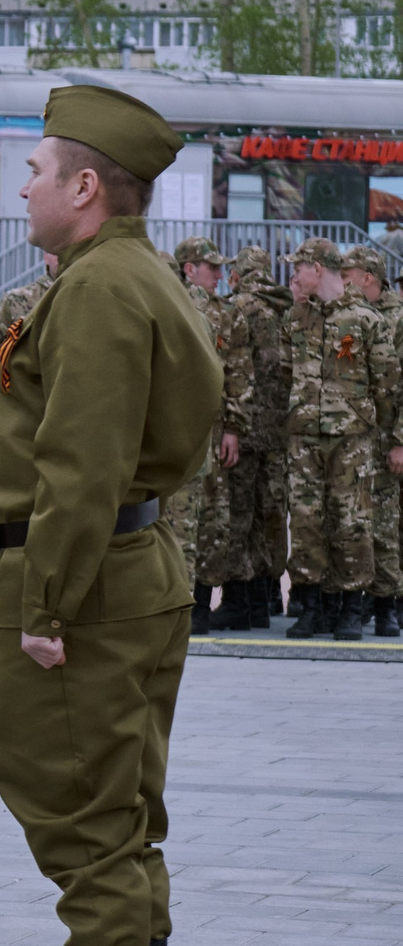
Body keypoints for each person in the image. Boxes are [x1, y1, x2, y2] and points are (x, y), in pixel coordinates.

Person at [0, 86, 222, 946]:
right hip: (129, 570)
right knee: (119, 819)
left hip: (87, 582)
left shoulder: (101, 289)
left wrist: (46, 604)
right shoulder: (124, 275)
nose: (21, 186)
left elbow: (80, 462)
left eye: (34, 170)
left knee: (84, 819)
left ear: (84, 187)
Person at [280, 236, 398, 642]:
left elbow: (388, 387)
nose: (293, 276)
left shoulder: (366, 320)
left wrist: (370, 427)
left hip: (352, 440)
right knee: (308, 523)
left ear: (317, 269)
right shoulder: (295, 319)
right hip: (303, 439)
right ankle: (311, 606)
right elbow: (283, 377)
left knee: (353, 523)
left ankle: (351, 607)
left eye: (298, 268)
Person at [164, 239, 250, 636]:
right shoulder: (169, 304)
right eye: (210, 267)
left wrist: (233, 427)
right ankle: (173, 603)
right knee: (176, 518)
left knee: (214, 520)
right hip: (173, 429)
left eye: (219, 268)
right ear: (188, 269)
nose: (219, 275)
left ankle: (200, 603)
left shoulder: (227, 314)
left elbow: (237, 373)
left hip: (214, 431)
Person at [227, 244, 293, 628]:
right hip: (280, 429)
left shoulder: (239, 308)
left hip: (246, 427)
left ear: (239, 273)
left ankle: (242, 599)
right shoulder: (285, 309)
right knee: (273, 513)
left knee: (241, 512)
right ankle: (271, 597)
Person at [341, 246, 402, 636]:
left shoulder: (397, 320)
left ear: (368, 278)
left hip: (388, 441)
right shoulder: (354, 316)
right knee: (360, 522)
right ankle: (364, 601)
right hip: (360, 439)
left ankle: (387, 606)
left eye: (349, 274)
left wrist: (399, 441)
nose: (343, 280)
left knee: (386, 525)